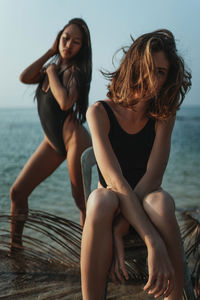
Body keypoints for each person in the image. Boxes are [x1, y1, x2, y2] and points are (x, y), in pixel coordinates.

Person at [81, 29, 191, 300]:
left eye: (162, 72)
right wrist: (152, 241)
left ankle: (175, 296)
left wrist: (122, 227)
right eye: (148, 68)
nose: (153, 78)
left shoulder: (164, 114)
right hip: (112, 205)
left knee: (162, 203)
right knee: (101, 200)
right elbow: (115, 182)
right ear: (134, 65)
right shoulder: (99, 113)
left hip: (146, 199)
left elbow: (154, 176)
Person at [10, 18, 92, 250]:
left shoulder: (74, 73)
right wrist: (49, 53)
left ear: (82, 47)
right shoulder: (51, 68)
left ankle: (89, 253)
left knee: (81, 201)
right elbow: (24, 77)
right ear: (59, 38)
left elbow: (65, 102)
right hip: (52, 142)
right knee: (17, 192)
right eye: (65, 38)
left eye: (76, 42)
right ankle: (15, 250)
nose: (69, 45)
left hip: (75, 140)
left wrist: (52, 73)